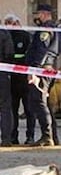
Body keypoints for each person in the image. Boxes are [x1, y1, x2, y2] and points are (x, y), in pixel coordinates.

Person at [25, 3, 60, 147]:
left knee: (38, 102)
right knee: (44, 104)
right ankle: (52, 136)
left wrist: (34, 71)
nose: (37, 17)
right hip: (45, 69)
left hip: (41, 70)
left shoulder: (45, 30)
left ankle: (47, 136)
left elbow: (41, 51)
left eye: (38, 14)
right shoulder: (49, 28)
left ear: (45, 14)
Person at [4, 14, 32, 145]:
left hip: (24, 77)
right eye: (7, 23)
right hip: (12, 79)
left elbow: (29, 54)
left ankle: (30, 136)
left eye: (12, 23)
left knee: (29, 109)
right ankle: (13, 136)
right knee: (12, 109)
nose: (10, 25)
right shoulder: (6, 36)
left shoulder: (25, 36)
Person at [0, 18, 14, 147]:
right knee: (5, 107)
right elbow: (10, 53)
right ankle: (6, 139)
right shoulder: (4, 33)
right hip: (2, 73)